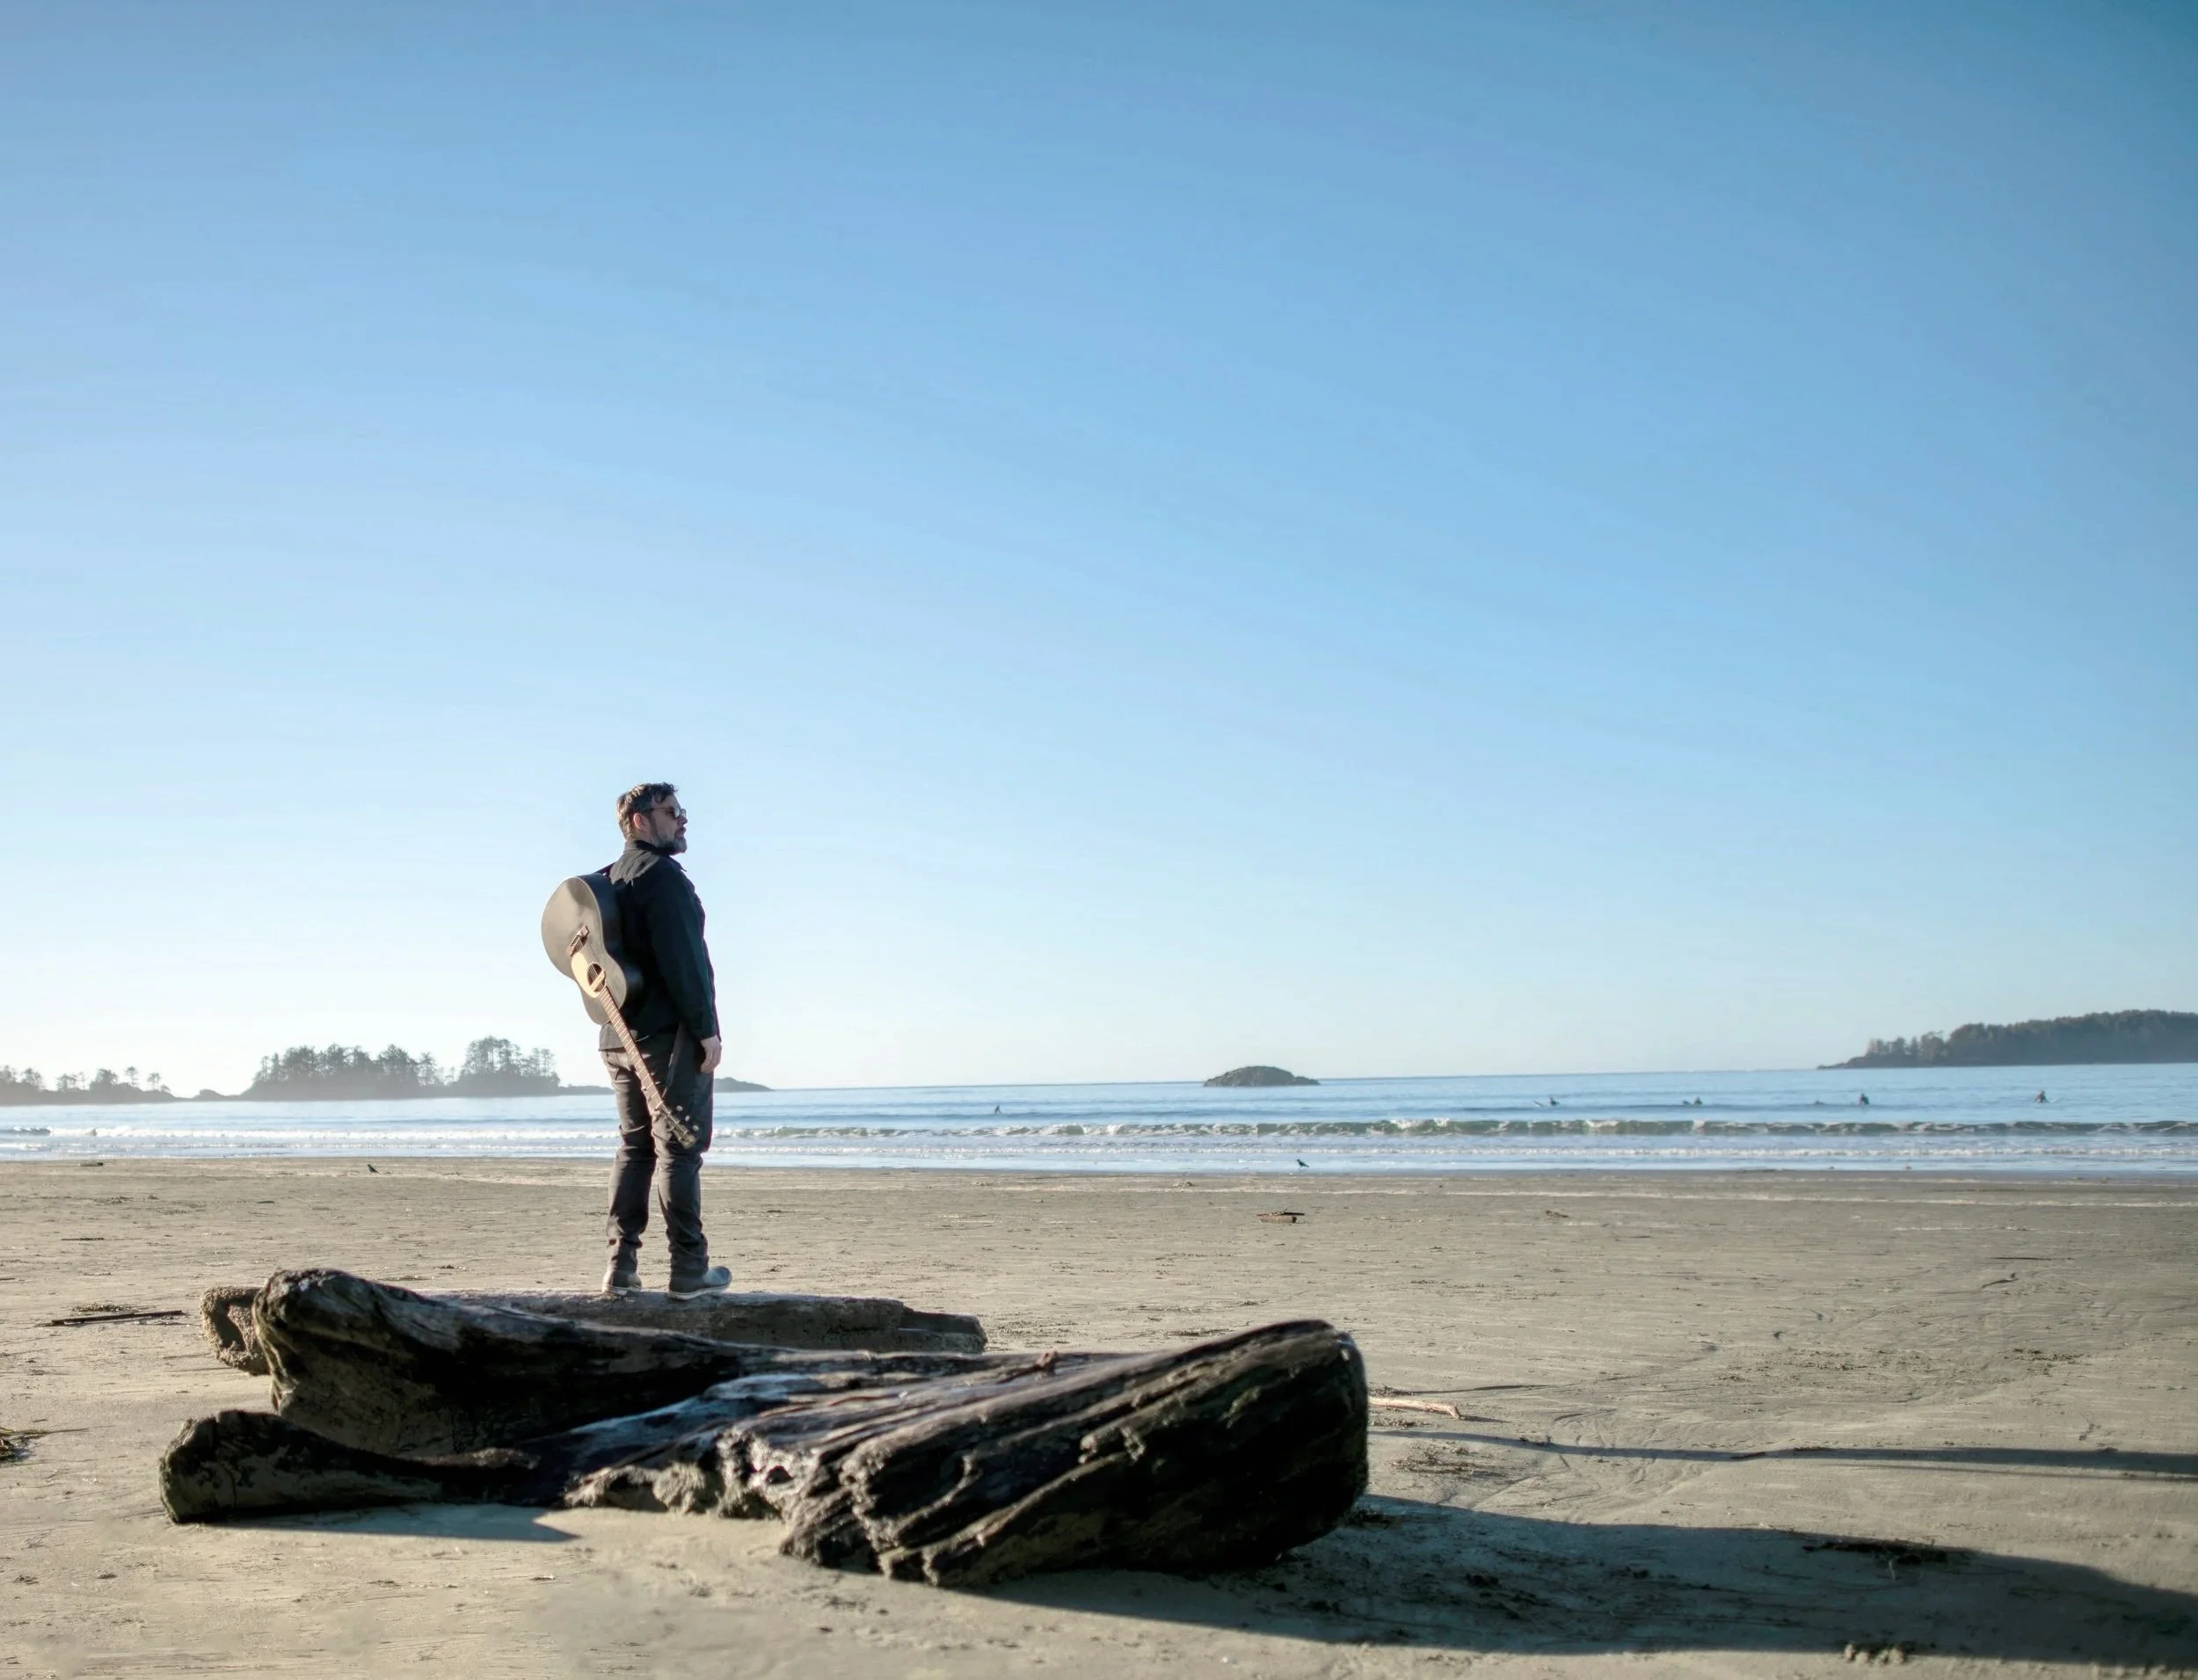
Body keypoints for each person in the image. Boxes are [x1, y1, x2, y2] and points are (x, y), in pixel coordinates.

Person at [600, 782, 731, 1298]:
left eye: (682, 812)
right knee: (681, 1147)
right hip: (666, 1035)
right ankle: (688, 1269)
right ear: (638, 820)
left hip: (616, 1032)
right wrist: (706, 1029)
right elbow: (686, 963)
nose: (682, 821)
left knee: (635, 1148)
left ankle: (621, 1267)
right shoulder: (664, 878)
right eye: (671, 812)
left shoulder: (608, 879)